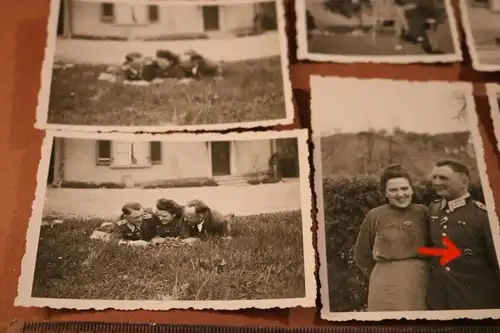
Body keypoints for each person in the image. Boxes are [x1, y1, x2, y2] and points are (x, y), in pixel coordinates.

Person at [426, 160, 500, 310]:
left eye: (443, 178)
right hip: (440, 299)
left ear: (464, 181)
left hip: (475, 300)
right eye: (434, 178)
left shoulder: (483, 215)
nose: (437, 182)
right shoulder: (433, 209)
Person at [354, 164, 429, 311]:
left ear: (412, 189)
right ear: (385, 193)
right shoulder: (374, 216)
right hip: (385, 285)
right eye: (393, 190)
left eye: (404, 188)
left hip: (421, 280)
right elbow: (361, 254)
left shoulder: (423, 213)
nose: (400, 194)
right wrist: (382, 275)